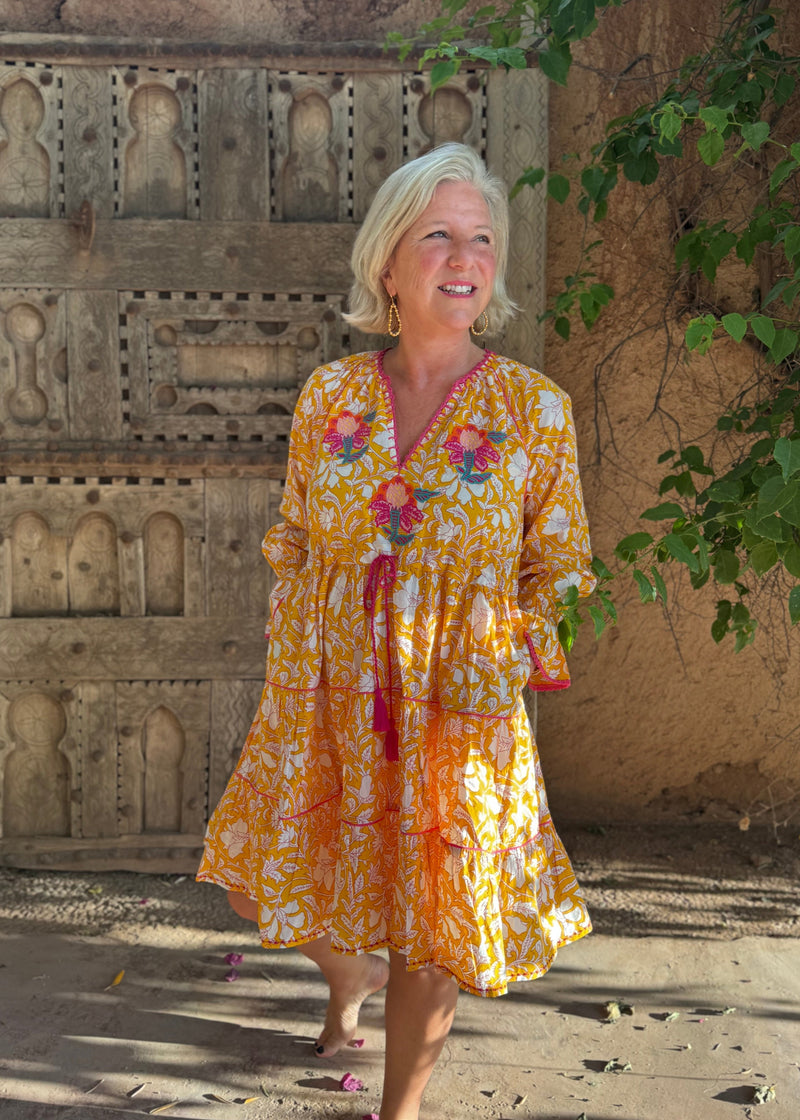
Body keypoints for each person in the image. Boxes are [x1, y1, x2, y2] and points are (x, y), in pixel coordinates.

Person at [197, 141, 596, 1120]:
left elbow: (563, 569)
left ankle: (398, 1110)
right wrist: (291, 668)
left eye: (481, 238)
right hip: (329, 692)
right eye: (438, 236)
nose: (465, 257)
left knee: (431, 924)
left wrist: (499, 652)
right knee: (261, 885)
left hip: (457, 709)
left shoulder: (530, 411)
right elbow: (293, 540)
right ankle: (349, 982)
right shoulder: (330, 399)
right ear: (388, 261)